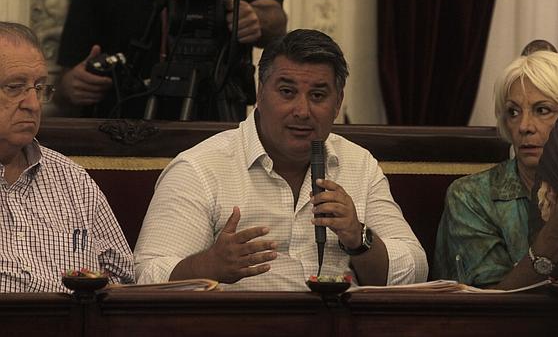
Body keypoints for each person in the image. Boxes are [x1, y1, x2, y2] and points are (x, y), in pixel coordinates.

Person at [134, 29, 428, 291]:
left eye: (317, 95)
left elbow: (414, 269)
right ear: (260, 93)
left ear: (337, 103)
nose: (302, 110)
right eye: (287, 92)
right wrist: (208, 266)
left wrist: (357, 236)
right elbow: (146, 277)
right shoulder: (200, 168)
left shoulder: (358, 164)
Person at [433, 50, 558, 289]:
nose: (524, 126)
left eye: (543, 110)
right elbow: (484, 308)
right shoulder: (472, 197)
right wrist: (553, 237)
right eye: (513, 111)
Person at [0, 22, 134, 292]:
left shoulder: (73, 180)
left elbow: (124, 282)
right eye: (15, 87)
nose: (33, 104)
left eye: (39, 88)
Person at [55, 0, 287, 120]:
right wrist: (72, 85)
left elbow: (276, 21)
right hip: (123, 127)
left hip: (214, 116)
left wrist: (255, 17)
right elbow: (63, 83)